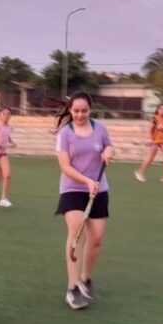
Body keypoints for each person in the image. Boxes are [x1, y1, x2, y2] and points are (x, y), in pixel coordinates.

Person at [54, 92, 114, 310]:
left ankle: (85, 279)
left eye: (84, 111)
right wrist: (86, 181)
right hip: (73, 189)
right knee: (76, 231)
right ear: (70, 111)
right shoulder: (65, 134)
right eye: (76, 111)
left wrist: (108, 151)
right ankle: (72, 288)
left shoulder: (100, 128)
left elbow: (108, 145)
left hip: (99, 189)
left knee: (96, 238)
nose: (80, 115)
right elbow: (65, 166)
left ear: (90, 110)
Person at [135, 104, 163, 183]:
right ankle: (140, 173)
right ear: (158, 109)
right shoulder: (155, 118)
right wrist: (150, 140)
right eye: (161, 109)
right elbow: (150, 130)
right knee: (150, 158)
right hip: (155, 142)